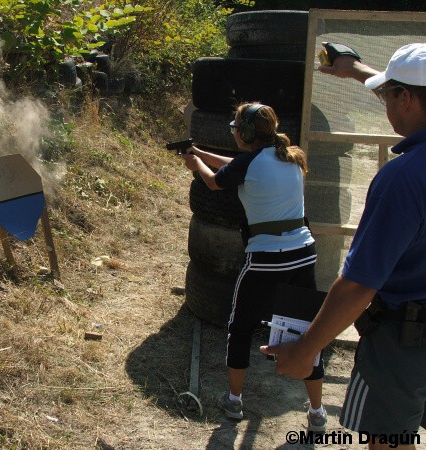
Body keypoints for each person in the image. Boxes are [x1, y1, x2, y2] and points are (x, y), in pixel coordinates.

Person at [261, 43, 426, 449]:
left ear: (405, 98)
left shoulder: (403, 178)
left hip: (405, 342)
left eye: (389, 94)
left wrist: (306, 348)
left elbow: (358, 285)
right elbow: (400, 84)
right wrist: (354, 71)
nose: (384, 101)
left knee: (390, 439)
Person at [181, 102, 327, 431]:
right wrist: (200, 153)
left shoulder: (252, 163)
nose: (233, 131)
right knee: (305, 331)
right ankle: (317, 412)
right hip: (303, 252)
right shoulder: (286, 155)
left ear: (246, 133)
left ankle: (233, 402)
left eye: (236, 127)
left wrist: (195, 165)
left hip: (266, 258)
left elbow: (217, 182)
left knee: (240, 326)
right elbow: (238, 166)